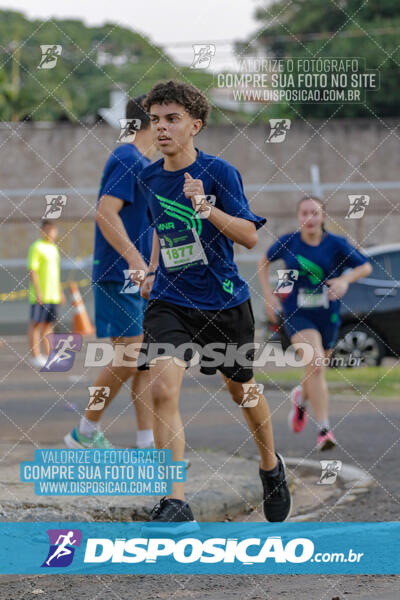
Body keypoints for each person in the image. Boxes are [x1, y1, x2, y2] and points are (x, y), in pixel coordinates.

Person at [137, 80, 291, 530]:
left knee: (243, 390)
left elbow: (248, 235)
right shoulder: (147, 177)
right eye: (155, 121)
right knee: (163, 389)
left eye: (172, 119)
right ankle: (176, 500)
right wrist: (149, 270)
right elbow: (159, 229)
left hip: (224, 302)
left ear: (195, 125)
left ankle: (270, 466)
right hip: (170, 300)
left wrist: (206, 209)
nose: (161, 129)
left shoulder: (220, 172)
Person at [64, 95, 157, 450]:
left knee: (143, 361)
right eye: (162, 117)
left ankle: (147, 445)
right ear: (150, 120)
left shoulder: (144, 164)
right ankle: (84, 432)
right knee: (130, 356)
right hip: (120, 273)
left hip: (139, 278)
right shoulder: (127, 157)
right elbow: (105, 212)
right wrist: (135, 260)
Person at [258, 196, 372, 451]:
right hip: (297, 312)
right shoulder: (289, 242)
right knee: (316, 362)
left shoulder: (336, 244)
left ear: (323, 217)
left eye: (315, 213)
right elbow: (263, 262)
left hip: (327, 314)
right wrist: (268, 298)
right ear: (298, 217)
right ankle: (324, 430)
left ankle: (301, 398)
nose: (309, 218)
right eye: (304, 213)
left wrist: (345, 280)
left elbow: (365, 267)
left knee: (317, 368)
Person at [27, 220, 66, 368]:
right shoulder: (36, 247)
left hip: (53, 295)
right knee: (36, 324)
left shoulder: (53, 248)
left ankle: (50, 355)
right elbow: (33, 271)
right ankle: (35, 356)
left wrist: (60, 292)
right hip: (40, 295)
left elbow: (55, 274)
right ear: (42, 230)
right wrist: (38, 293)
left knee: (48, 325)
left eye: (53, 230)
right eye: (48, 230)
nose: (51, 233)